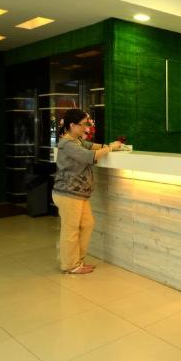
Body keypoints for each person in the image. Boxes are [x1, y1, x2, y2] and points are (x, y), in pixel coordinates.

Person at [53, 108, 123, 274]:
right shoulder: (67, 143)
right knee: (70, 230)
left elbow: (91, 146)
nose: (86, 128)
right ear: (72, 125)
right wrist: (110, 149)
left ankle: (77, 261)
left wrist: (108, 146)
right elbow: (89, 156)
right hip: (67, 193)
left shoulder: (76, 141)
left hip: (78, 194)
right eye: (83, 124)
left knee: (87, 224)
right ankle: (70, 265)